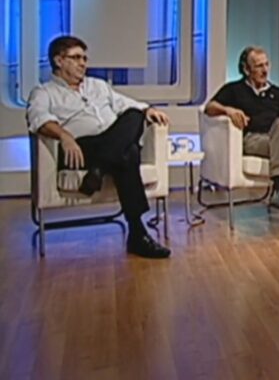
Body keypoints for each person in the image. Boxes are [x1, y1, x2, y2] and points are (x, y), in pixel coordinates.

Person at [26, 35, 172, 259]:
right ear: (58, 60)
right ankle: (137, 235)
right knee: (129, 152)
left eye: (84, 58)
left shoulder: (98, 86)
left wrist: (149, 110)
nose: (83, 63)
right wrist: (64, 135)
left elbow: (129, 105)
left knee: (134, 116)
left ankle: (99, 168)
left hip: (107, 144)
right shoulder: (44, 92)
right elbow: (38, 119)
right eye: (76, 58)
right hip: (80, 149)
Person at [206, 46, 279, 234]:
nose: (264, 70)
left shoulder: (276, 92)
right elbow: (209, 107)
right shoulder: (234, 89)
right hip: (253, 140)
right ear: (246, 69)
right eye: (259, 66)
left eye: (266, 65)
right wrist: (228, 110)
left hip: (277, 139)